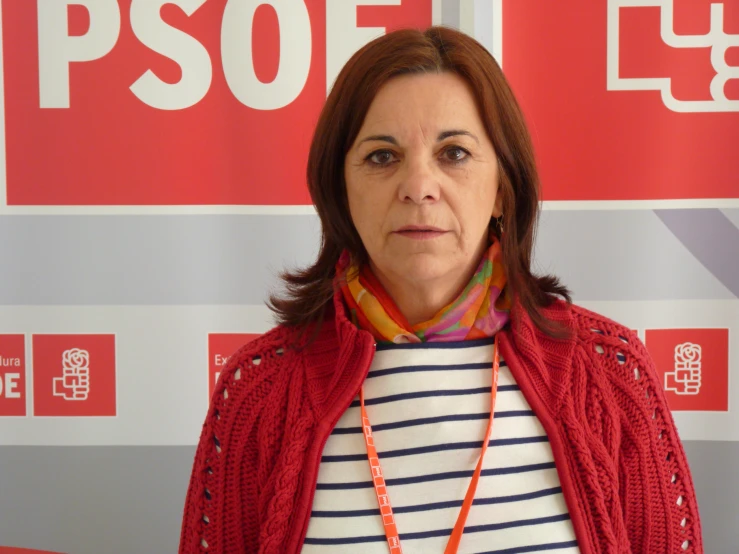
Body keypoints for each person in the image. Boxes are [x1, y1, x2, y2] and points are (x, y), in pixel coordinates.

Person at [178, 26, 702, 554]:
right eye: (383, 157)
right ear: (340, 189)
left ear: (502, 188)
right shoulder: (258, 394)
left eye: (453, 153)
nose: (418, 186)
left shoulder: (610, 375)